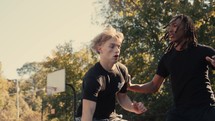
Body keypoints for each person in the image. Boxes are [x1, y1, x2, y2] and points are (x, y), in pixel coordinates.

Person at [128, 14, 215, 121]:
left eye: (174, 25)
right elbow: (154, 86)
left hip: (205, 109)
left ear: (186, 28)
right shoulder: (167, 58)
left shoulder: (204, 51)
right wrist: (130, 86)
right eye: (169, 26)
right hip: (179, 113)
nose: (170, 30)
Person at [76, 25, 147, 121]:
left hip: (111, 117)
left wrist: (133, 108)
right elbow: (88, 112)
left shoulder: (122, 70)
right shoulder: (93, 77)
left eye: (119, 46)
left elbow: (122, 97)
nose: (117, 50)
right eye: (112, 46)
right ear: (99, 48)